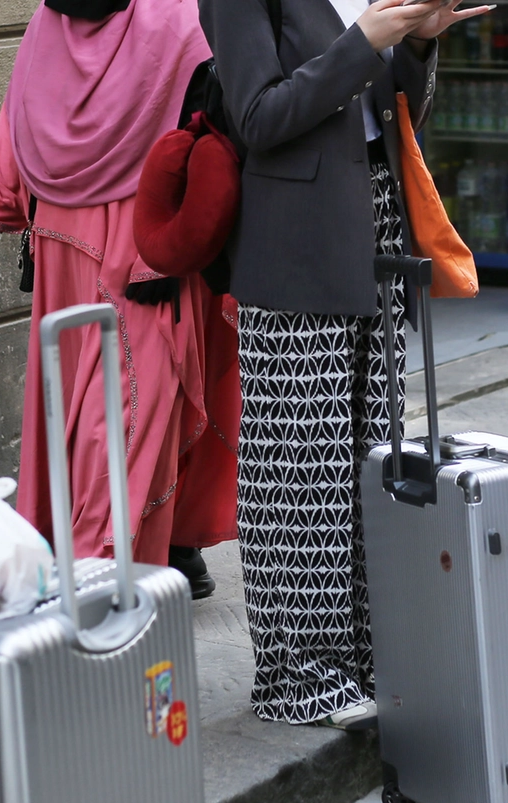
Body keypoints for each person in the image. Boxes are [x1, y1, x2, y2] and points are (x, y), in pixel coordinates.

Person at [201, 0, 488, 728]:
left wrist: (418, 46)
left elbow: (398, 113)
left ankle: (365, 653)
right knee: (299, 462)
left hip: (379, 216)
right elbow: (258, 116)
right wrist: (364, 40)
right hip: (293, 238)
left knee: (370, 450)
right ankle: (299, 673)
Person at [0, 0, 240, 596]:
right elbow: (25, 110)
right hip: (65, 243)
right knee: (80, 408)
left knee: (128, 408)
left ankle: (112, 565)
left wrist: (166, 246)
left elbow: (203, 129)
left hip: (145, 242)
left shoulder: (177, 18)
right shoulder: (50, 20)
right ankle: (114, 560)